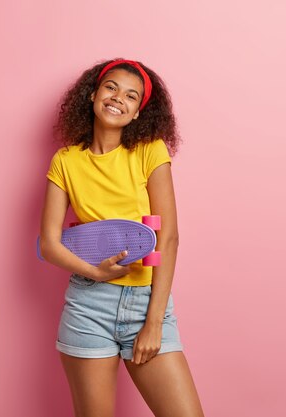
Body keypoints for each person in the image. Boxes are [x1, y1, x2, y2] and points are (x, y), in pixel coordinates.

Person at [39, 58, 204, 417]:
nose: (118, 98)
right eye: (111, 87)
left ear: (136, 113)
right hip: (88, 306)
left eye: (132, 96)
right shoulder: (66, 161)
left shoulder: (149, 151)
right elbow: (48, 244)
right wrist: (96, 273)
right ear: (93, 94)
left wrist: (154, 322)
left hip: (146, 303)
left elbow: (169, 238)